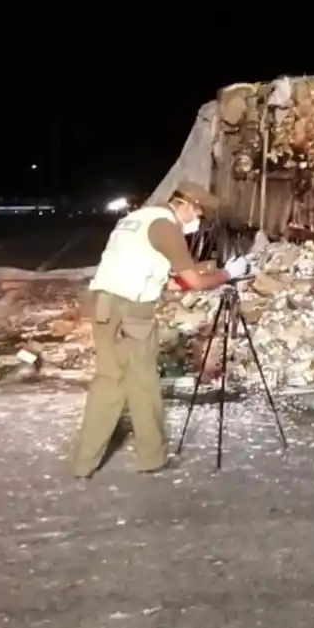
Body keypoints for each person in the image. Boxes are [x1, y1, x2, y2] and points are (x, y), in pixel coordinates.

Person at [69, 182, 249, 478]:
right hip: (132, 314)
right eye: (199, 214)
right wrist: (230, 273)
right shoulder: (167, 227)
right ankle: (152, 458)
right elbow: (192, 282)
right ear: (187, 205)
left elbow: (158, 273)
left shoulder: (135, 218)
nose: (198, 221)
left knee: (108, 382)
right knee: (144, 385)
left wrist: (201, 274)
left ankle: (83, 462)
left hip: (103, 307)